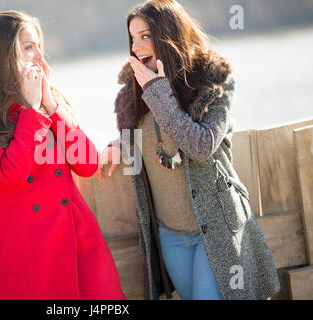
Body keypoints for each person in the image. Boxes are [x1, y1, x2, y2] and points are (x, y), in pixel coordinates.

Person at [97, 0, 280, 300]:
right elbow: (141, 136)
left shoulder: (213, 80)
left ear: (168, 33)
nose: (137, 46)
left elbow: (200, 145)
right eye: (132, 38)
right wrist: (119, 144)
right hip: (170, 236)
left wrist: (157, 91)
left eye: (145, 36)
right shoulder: (132, 91)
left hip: (217, 228)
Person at [0, 10, 126, 300]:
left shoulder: (51, 99)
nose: (38, 56)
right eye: (28, 47)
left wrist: (51, 107)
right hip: (28, 259)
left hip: (80, 246)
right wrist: (31, 110)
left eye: (38, 47)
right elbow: (14, 173)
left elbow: (87, 164)